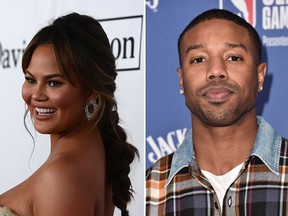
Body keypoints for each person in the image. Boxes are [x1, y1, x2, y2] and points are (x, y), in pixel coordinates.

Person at [146, 9, 288, 215]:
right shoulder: (148, 190)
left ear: (259, 76)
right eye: (199, 59)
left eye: (233, 57)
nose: (216, 71)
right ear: (181, 80)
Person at [0, 12, 138, 216]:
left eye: (54, 83)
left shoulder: (61, 177)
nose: (36, 95)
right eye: (31, 80)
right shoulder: (95, 154)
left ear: (91, 92)